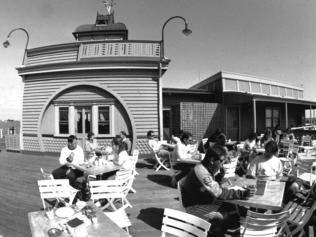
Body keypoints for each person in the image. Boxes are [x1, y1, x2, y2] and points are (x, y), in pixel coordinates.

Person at [180, 145, 254, 236]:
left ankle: (230, 228)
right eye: (221, 161)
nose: (222, 164)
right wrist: (243, 193)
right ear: (212, 160)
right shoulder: (202, 172)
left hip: (204, 199)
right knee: (222, 216)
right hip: (194, 206)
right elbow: (219, 193)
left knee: (231, 205)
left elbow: (215, 186)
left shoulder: (205, 167)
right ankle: (216, 232)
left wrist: (220, 175)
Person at [52, 135, 88, 201]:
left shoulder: (79, 149)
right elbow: (61, 161)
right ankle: (62, 190)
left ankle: (72, 196)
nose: (76, 144)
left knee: (70, 176)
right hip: (66, 166)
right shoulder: (64, 149)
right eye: (74, 143)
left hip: (77, 168)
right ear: (69, 143)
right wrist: (67, 160)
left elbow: (81, 161)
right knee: (55, 173)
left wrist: (71, 166)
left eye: (76, 143)